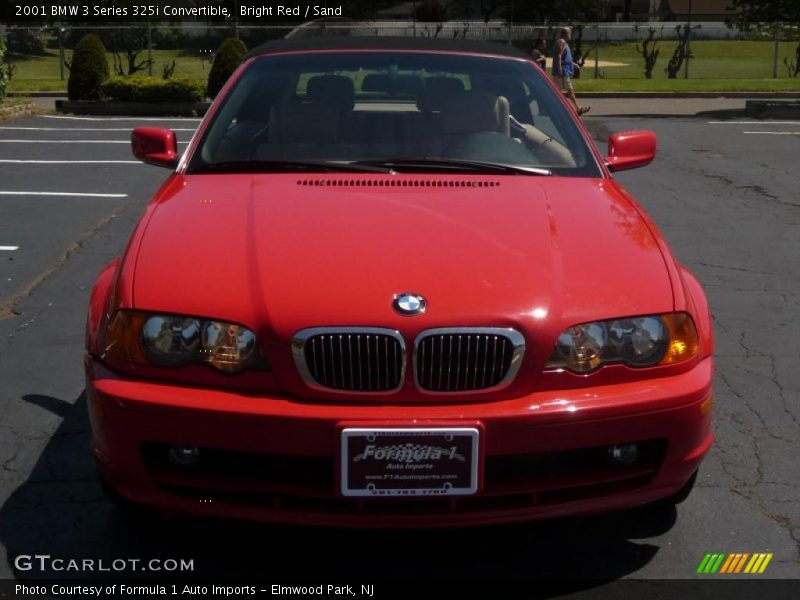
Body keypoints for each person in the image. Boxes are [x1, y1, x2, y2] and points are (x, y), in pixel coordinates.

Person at [552, 27, 590, 116]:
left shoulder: (564, 43)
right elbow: (558, 56)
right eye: (569, 33)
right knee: (568, 90)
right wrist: (560, 70)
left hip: (564, 71)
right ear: (566, 34)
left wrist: (573, 64)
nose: (570, 35)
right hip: (563, 72)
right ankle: (578, 109)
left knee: (557, 91)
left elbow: (565, 58)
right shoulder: (561, 42)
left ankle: (549, 108)